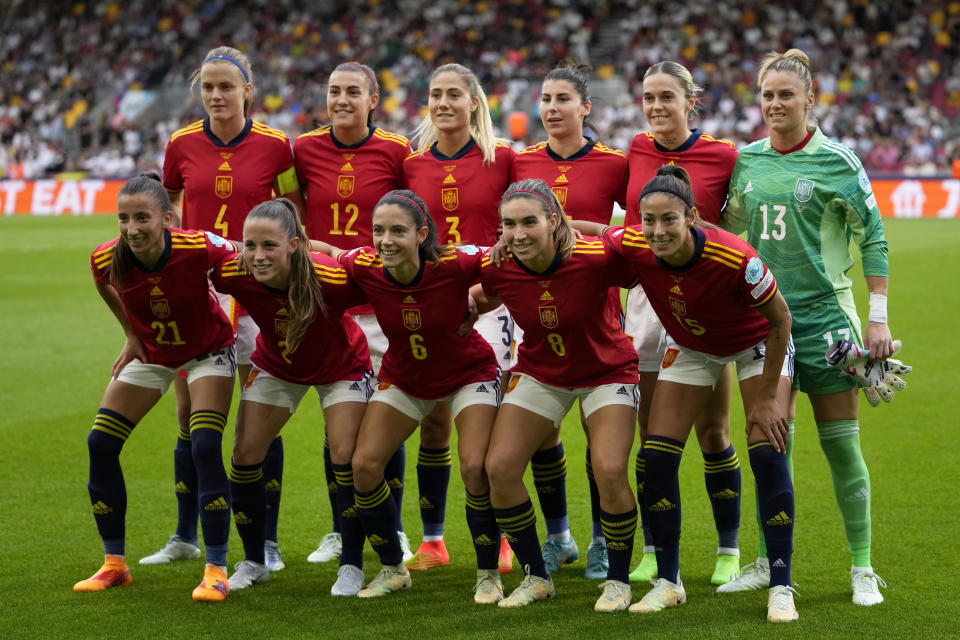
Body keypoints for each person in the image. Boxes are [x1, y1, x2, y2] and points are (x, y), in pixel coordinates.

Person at [581, 165, 798, 622]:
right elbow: (596, 230)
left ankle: (781, 584)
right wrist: (549, 224)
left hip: (755, 342)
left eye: (669, 220)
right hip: (693, 345)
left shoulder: (735, 257)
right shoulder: (635, 242)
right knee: (657, 458)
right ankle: (669, 581)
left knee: (766, 449)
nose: (658, 231)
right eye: (649, 220)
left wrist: (766, 400)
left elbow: (781, 320)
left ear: (693, 217)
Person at [719, 48, 893, 607]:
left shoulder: (839, 162)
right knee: (773, 447)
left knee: (842, 447)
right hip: (768, 325)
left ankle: (862, 567)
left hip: (827, 323)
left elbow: (874, 235)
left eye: (785, 95)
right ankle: (773, 563)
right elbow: (731, 235)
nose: (774, 104)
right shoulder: (747, 161)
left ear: (809, 99)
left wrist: (878, 319)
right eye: (767, 95)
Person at [144, 46, 302, 571]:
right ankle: (185, 534)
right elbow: (165, 212)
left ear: (247, 90)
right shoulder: (181, 144)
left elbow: (291, 213)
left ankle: (268, 542)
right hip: (201, 293)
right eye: (207, 87)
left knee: (260, 417)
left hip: (259, 295)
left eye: (226, 86)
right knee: (191, 416)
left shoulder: (277, 146)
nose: (215, 95)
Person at [320, 190, 503, 602]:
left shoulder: (455, 262)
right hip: (406, 379)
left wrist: (479, 302)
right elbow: (328, 251)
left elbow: (505, 261)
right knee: (363, 465)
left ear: (422, 234)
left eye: (398, 231)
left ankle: (488, 573)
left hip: (467, 375)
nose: (385, 240)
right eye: (379, 231)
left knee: (476, 467)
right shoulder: (365, 265)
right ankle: (392, 568)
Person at [476, 179, 640, 611]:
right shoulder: (500, 266)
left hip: (607, 370)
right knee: (500, 467)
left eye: (529, 222)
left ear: (553, 221)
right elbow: (482, 296)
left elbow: (649, 264)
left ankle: (619, 581)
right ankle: (537, 576)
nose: (518, 234)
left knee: (608, 468)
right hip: (542, 370)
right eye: (509, 225)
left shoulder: (595, 257)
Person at [75, 173, 238, 602]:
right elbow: (103, 284)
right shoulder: (106, 257)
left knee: (204, 445)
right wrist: (131, 334)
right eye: (123, 218)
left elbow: (246, 259)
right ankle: (114, 565)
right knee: (100, 443)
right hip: (153, 353)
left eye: (142, 218)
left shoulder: (197, 245)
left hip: (208, 352)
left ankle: (217, 569)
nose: (132, 228)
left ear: (167, 218)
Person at [208, 198, 374, 597]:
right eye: (250, 245)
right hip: (278, 364)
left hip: (342, 366)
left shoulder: (331, 278)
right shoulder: (234, 271)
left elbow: (382, 284)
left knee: (344, 456)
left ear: (295, 245)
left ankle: (351, 563)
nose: (258, 256)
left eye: (269, 245)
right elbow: (188, 268)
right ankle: (253, 561)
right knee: (245, 454)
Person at [623, 61, 742, 585]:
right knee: (650, 433)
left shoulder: (723, 155)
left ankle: (728, 550)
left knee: (712, 430)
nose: (655, 107)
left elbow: (736, 233)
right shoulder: (635, 149)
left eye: (666, 97)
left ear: (690, 100)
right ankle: (652, 547)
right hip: (649, 303)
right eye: (648, 97)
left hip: (705, 303)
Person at [510, 60, 628, 580]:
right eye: (546, 99)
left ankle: (605, 539)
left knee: (595, 431)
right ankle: (559, 536)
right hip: (537, 314)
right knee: (543, 431)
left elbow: (636, 230)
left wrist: (576, 229)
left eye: (563, 99)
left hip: (594, 313)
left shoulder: (613, 164)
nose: (553, 109)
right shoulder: (520, 163)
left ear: (585, 107)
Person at [294, 61, 412, 566]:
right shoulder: (301, 150)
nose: (341, 99)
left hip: (379, 301)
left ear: (372, 100)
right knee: (335, 423)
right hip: (325, 304)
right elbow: (289, 208)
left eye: (352, 92)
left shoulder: (397, 151)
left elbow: (413, 213)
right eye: (333, 90)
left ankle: (396, 529)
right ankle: (342, 532)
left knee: (388, 414)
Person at [401, 62, 515, 571]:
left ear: (474, 102)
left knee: (488, 432)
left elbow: (515, 235)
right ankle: (433, 540)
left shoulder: (504, 159)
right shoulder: (413, 165)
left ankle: (505, 537)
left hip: (490, 303)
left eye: (454, 94)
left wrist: (484, 289)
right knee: (433, 426)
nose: (443, 102)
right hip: (431, 307)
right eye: (435, 94)